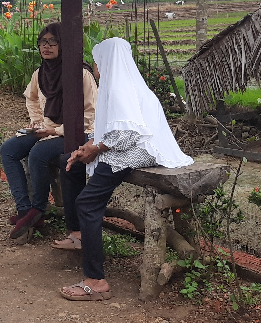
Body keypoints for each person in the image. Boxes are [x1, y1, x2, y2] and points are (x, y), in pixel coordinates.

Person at [60, 37, 193, 301]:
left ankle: (95, 281)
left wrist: (96, 149)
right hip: (137, 147)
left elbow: (128, 135)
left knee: (87, 203)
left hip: (140, 150)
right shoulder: (126, 83)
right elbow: (111, 131)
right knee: (74, 167)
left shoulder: (119, 87)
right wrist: (88, 147)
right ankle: (82, 241)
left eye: (98, 62)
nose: (96, 69)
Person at [0, 22, 97, 240]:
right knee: (9, 150)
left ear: (65, 45)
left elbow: (90, 113)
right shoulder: (41, 73)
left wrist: (56, 131)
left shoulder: (81, 73)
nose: (47, 46)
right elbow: (31, 97)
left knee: (38, 154)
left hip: (80, 133)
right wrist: (37, 122)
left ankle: (38, 208)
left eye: (53, 42)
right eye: (43, 42)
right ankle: (25, 209)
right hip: (48, 129)